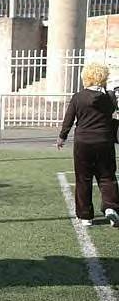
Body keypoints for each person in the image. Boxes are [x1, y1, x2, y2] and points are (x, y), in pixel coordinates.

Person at [56, 63, 119, 227]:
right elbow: (112, 110)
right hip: (105, 141)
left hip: (83, 142)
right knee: (107, 176)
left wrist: (62, 137)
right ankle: (111, 207)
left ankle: (85, 216)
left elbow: (69, 119)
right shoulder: (109, 97)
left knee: (83, 178)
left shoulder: (79, 97)